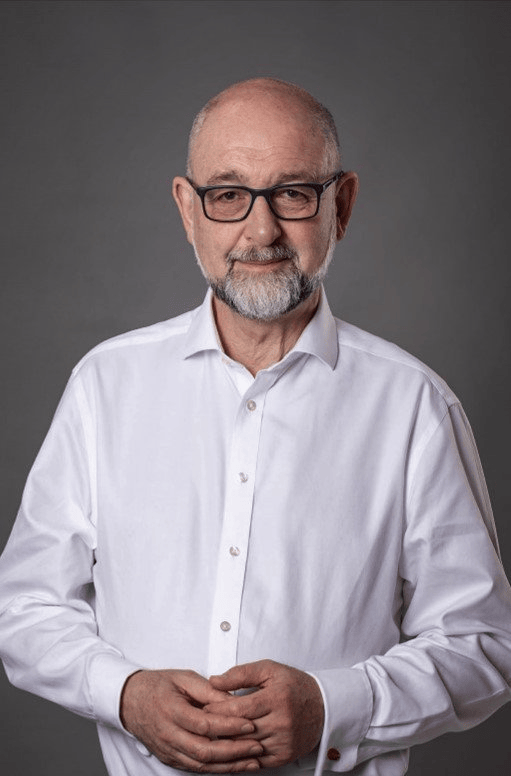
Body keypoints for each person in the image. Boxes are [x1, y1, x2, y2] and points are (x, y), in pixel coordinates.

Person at [0, 77, 510, 776]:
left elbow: (483, 645)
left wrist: (332, 708)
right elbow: (24, 607)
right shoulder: (104, 387)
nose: (261, 230)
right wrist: (125, 694)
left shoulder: (414, 405)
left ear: (342, 206)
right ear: (188, 209)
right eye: (227, 195)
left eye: (293, 193)